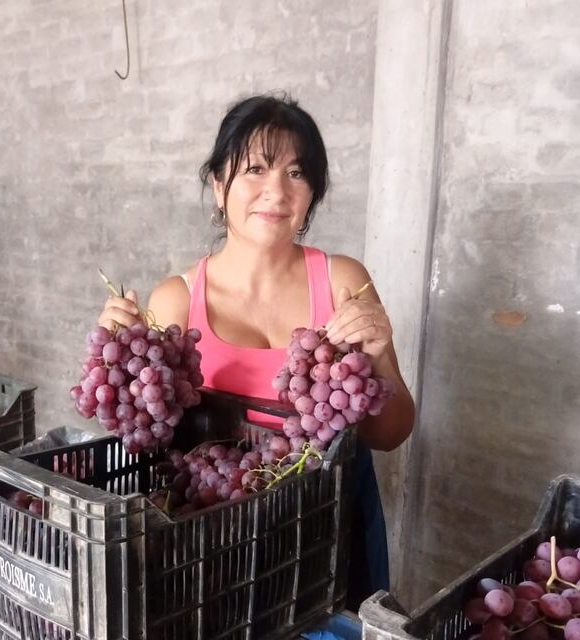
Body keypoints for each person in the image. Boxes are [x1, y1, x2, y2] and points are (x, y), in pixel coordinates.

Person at [97, 94, 416, 608]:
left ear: (312, 193)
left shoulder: (343, 283)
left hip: (326, 535)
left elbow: (390, 433)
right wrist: (118, 364)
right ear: (219, 186)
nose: (276, 191)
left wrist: (378, 357)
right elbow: (147, 445)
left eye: (296, 173)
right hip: (217, 540)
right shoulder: (176, 298)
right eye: (256, 169)